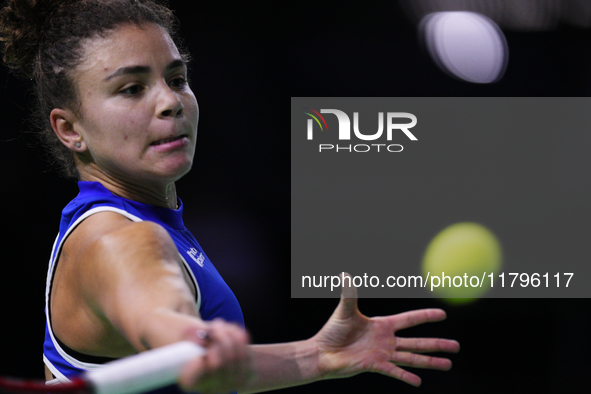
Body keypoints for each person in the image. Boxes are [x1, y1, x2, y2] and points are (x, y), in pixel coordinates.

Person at [0, 1, 460, 393]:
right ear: (70, 129)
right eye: (131, 88)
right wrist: (191, 336)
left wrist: (318, 355)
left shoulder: (135, 223)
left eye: (177, 79)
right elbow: (157, 313)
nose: (169, 102)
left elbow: (201, 366)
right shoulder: (118, 242)